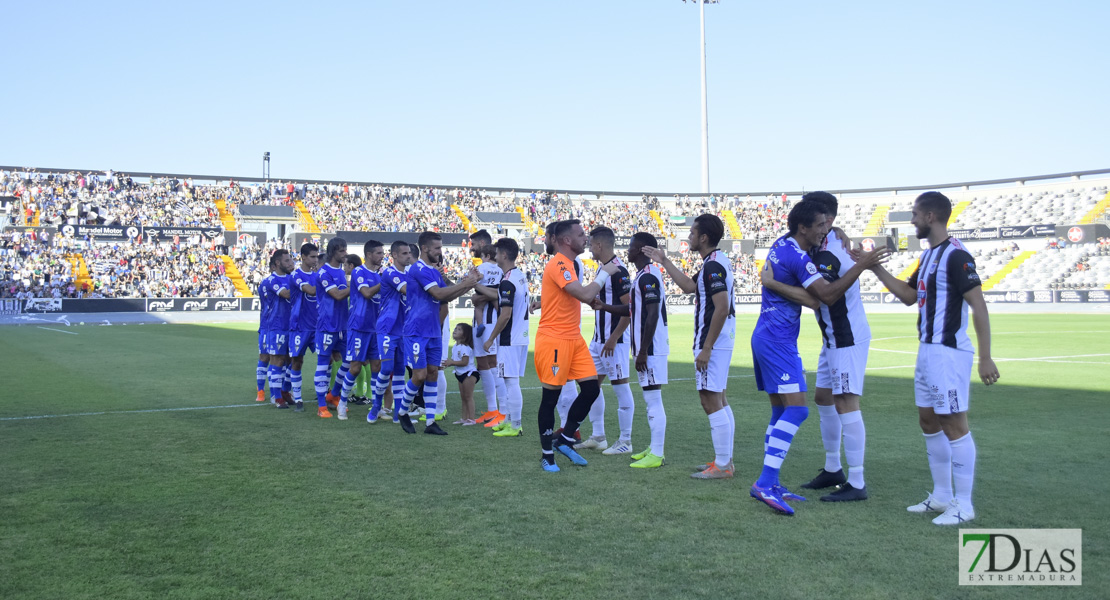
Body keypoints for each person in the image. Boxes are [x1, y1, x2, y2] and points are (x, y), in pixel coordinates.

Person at [867, 191, 998, 526]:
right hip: (926, 351)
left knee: (954, 424)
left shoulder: (956, 256)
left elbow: (978, 306)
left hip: (948, 354)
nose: (911, 221)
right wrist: (875, 269)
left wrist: (985, 357)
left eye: (914, 214)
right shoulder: (927, 257)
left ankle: (963, 504)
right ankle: (941, 497)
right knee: (928, 421)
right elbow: (910, 296)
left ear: (930, 217)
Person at [752, 200, 888, 515]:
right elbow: (819, 297)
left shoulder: (820, 248)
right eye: (822, 223)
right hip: (814, 338)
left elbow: (820, 297)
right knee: (819, 400)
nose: (826, 227)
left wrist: (772, 283)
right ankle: (827, 469)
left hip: (845, 335)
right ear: (808, 225)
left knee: (841, 401)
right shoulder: (810, 249)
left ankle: (856, 481)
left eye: (828, 222)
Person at [642, 215, 738, 481]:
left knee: (709, 400)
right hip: (720, 341)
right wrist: (664, 261)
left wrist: (706, 347)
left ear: (704, 237)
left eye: (693, 233)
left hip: (714, 343)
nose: (689, 237)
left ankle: (722, 465)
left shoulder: (713, 266)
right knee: (719, 398)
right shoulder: (714, 262)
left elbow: (721, 307)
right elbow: (688, 287)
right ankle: (725, 460)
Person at [534, 220, 621, 472]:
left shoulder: (572, 264)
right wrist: (606, 271)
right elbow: (582, 294)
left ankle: (564, 439)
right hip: (555, 339)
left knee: (591, 390)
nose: (586, 238)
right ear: (566, 241)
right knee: (550, 398)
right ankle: (546, 454)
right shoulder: (560, 262)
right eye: (581, 234)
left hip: (574, 338)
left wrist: (590, 296)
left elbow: (576, 296)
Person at [594, 232, 669, 468]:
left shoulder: (648, 278)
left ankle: (656, 453)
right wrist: (604, 306)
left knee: (653, 399)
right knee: (650, 398)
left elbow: (653, 313)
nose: (627, 251)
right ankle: (653, 448)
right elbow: (632, 311)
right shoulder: (642, 276)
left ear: (640, 250)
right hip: (647, 347)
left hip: (652, 348)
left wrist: (644, 350)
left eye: (631, 247)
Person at [397, 232, 479, 435]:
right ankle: (402, 411)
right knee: (420, 374)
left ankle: (430, 422)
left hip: (433, 329)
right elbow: (438, 294)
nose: (440, 252)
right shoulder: (419, 269)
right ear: (425, 248)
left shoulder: (433, 272)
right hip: (416, 331)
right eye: (437, 248)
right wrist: (467, 283)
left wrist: (468, 283)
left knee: (433, 372)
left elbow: (447, 296)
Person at [577, 226, 634, 455]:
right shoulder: (604, 270)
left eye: (591, 244)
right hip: (598, 341)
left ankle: (625, 441)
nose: (589, 248)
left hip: (613, 342)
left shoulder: (618, 271)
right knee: (591, 386)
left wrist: (614, 337)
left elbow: (630, 309)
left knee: (621, 388)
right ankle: (598, 436)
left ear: (599, 245)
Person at [484, 237, 529, 438]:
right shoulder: (519, 275)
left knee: (511, 382)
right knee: (511, 380)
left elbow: (505, 314)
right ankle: (510, 421)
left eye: (497, 252)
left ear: (503, 255)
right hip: (521, 336)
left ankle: (515, 425)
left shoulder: (508, 281)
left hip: (510, 339)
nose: (494, 255)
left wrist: (491, 338)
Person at [338, 242, 384, 421]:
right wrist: (385, 282)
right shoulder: (359, 272)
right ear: (369, 254)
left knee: (377, 367)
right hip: (359, 326)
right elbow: (366, 293)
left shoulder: (379, 276)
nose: (382, 256)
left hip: (376, 328)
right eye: (379, 253)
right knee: (355, 367)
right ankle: (342, 403)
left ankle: (376, 406)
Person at [369, 241, 412, 424]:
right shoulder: (389, 273)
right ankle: (376, 405)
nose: (408, 256)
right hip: (387, 328)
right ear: (394, 255)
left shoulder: (410, 274)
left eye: (409, 253)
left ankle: (398, 415)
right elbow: (406, 290)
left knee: (400, 372)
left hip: (403, 330)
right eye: (404, 253)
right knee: (386, 369)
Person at [469, 230, 506, 426]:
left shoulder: (500, 268)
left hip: (491, 321)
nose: (471, 248)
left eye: (473, 244)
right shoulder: (483, 267)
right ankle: (492, 409)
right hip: (479, 322)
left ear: (483, 245)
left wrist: (480, 296)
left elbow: (500, 294)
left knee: (492, 364)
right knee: (482, 364)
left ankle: (503, 411)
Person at [314, 237, 351, 418]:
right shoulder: (324, 273)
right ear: (333, 252)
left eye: (345, 250)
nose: (345, 254)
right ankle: (321, 406)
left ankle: (334, 394)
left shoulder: (342, 272)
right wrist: (356, 285)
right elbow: (337, 295)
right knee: (323, 364)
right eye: (341, 251)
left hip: (343, 325)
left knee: (349, 361)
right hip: (327, 325)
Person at [288, 243, 319, 412]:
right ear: (304, 257)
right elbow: (311, 291)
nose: (315, 260)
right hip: (300, 326)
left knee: (327, 359)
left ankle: (325, 394)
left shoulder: (317, 275)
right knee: (297, 360)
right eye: (313, 257)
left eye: (317, 256)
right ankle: (298, 397)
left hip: (317, 326)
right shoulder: (296, 276)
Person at [262, 249, 295, 408]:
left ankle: (284, 391)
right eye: (287, 261)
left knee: (291, 359)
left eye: (291, 260)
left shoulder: (291, 278)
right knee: (277, 359)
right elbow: (286, 294)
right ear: (277, 263)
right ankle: (276, 397)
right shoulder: (271, 280)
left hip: (292, 325)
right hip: (276, 326)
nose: (291, 263)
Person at [445, 322, 479, 425]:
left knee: (468, 396)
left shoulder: (465, 347)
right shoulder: (456, 346)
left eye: (459, 329)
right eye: (456, 328)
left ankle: (471, 419)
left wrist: (451, 362)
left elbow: (465, 362)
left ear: (465, 335)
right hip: (460, 374)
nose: (455, 330)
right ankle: (464, 418)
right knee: (463, 397)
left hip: (469, 374)